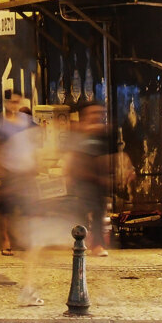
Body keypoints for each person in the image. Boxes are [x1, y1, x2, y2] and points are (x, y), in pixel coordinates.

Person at [64, 102, 111, 257]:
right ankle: (81, 242)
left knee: (98, 212)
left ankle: (97, 244)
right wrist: (69, 175)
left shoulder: (102, 134)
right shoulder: (78, 133)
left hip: (98, 181)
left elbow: (108, 156)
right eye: (94, 112)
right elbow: (71, 156)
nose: (97, 116)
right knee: (82, 213)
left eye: (100, 113)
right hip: (82, 181)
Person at [0, 90, 33, 256]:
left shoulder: (27, 121)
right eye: (12, 102)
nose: (15, 105)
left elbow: (34, 141)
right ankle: (6, 240)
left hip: (26, 171)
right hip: (9, 171)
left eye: (18, 102)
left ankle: (26, 239)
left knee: (27, 208)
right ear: (6, 103)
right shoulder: (0, 123)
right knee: (6, 210)